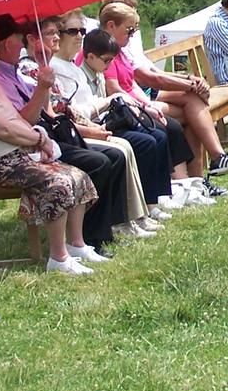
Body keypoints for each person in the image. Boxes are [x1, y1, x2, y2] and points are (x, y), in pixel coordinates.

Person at [0, 23, 100, 277]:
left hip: (16, 155)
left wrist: (42, 89)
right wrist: (40, 140)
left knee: (78, 175)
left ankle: (75, 245)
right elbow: (4, 130)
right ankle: (58, 258)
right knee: (57, 183)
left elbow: (23, 121)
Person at [100, 1, 228, 183]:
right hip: (132, 106)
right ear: (111, 26)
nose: (132, 35)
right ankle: (194, 179)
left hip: (143, 98)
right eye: (129, 30)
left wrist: (189, 80)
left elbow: (143, 79)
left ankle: (207, 169)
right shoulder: (106, 51)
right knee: (187, 117)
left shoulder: (121, 50)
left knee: (193, 102)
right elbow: (143, 80)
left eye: (134, 31)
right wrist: (188, 85)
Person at [48, 13, 167, 235]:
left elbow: (88, 104)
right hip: (80, 130)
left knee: (135, 144)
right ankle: (121, 220)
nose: (78, 37)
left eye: (81, 31)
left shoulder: (72, 66)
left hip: (94, 124)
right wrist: (106, 103)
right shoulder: (55, 68)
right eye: (72, 31)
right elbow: (72, 112)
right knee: (123, 150)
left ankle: (137, 214)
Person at [20, 17, 127, 254]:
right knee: (99, 162)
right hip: (47, 139)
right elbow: (45, 114)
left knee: (115, 155)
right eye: (49, 33)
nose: (57, 37)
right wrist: (43, 85)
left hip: (64, 131)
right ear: (31, 39)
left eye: (56, 32)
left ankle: (106, 229)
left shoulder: (47, 66)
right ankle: (87, 237)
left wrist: (90, 129)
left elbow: (64, 111)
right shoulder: (28, 69)